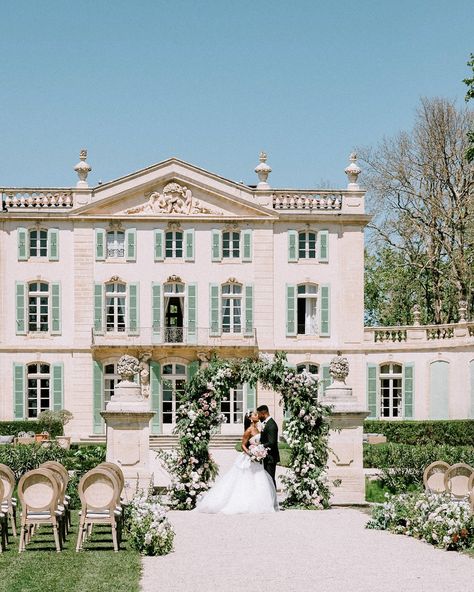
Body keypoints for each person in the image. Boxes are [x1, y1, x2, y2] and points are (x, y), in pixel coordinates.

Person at [195, 410, 278, 514]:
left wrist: (259, 451)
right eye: (255, 415)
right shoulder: (248, 430)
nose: (258, 416)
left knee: (258, 480)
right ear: (250, 418)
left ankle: (258, 502)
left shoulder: (258, 428)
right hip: (250, 457)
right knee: (247, 479)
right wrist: (251, 453)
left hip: (257, 458)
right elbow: (243, 445)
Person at [257, 405, 280, 489]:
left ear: (263, 413)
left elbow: (272, 442)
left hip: (271, 457)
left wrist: (259, 447)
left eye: (259, 414)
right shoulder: (266, 423)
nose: (258, 417)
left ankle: (273, 499)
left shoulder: (271, 425)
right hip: (266, 456)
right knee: (267, 479)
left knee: (270, 479)